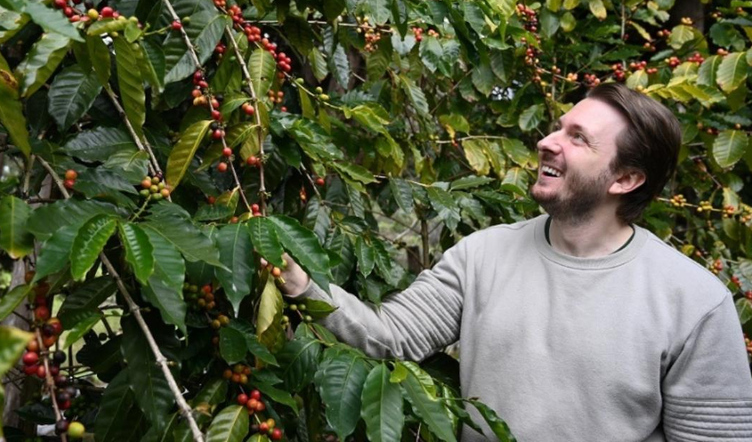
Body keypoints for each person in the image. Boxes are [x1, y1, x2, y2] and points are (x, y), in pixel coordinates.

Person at [278, 84, 752, 441]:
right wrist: (301, 284)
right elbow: (391, 338)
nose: (548, 142)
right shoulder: (481, 256)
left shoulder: (694, 300)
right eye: (558, 127)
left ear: (625, 179)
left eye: (578, 138)